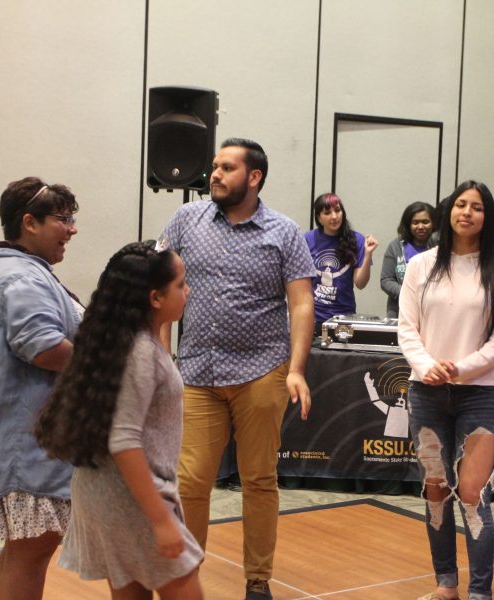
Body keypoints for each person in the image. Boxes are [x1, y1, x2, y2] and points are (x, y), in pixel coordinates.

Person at [159, 138, 316, 600]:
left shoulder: (284, 232)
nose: (214, 174)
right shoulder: (187, 219)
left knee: (259, 479)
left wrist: (297, 369)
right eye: (214, 167)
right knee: (190, 481)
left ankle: (257, 580)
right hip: (197, 373)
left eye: (226, 168)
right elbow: (159, 284)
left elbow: (302, 303)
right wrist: (163, 357)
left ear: (254, 177)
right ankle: (186, 576)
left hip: (262, 371)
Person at [35, 241, 203, 599]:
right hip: (131, 498)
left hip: (106, 491)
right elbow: (124, 440)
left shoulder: (126, 342)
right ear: (155, 298)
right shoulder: (141, 351)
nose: (187, 291)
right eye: (180, 284)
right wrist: (160, 519)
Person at [398, 180, 494, 600]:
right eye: (461, 205)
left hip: (481, 392)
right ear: (449, 211)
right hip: (426, 390)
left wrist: (458, 368)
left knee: (471, 494)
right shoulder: (421, 265)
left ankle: (479, 592)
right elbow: (406, 329)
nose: (467, 212)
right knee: (435, 490)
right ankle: (446, 583)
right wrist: (429, 367)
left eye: (478, 207)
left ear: (488, 217)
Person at [0, 177, 81, 600]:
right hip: (28, 443)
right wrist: (99, 364)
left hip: (28, 439)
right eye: (63, 219)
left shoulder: (23, 270)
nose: (72, 229)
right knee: (31, 549)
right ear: (29, 223)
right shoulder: (22, 277)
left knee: (24, 551)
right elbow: (43, 346)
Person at [304, 193, 378, 325]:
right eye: (327, 212)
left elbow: (360, 284)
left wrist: (368, 255)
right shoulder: (307, 239)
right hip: (313, 315)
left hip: (344, 317)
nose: (334, 216)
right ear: (319, 218)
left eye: (337, 210)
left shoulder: (357, 240)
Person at [380, 201, 437, 317]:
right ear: (408, 224)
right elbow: (386, 280)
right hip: (399, 312)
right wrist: (409, 294)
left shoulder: (441, 248)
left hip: (432, 312)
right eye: (415, 222)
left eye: (425, 222)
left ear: (434, 224)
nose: (420, 227)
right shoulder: (395, 246)